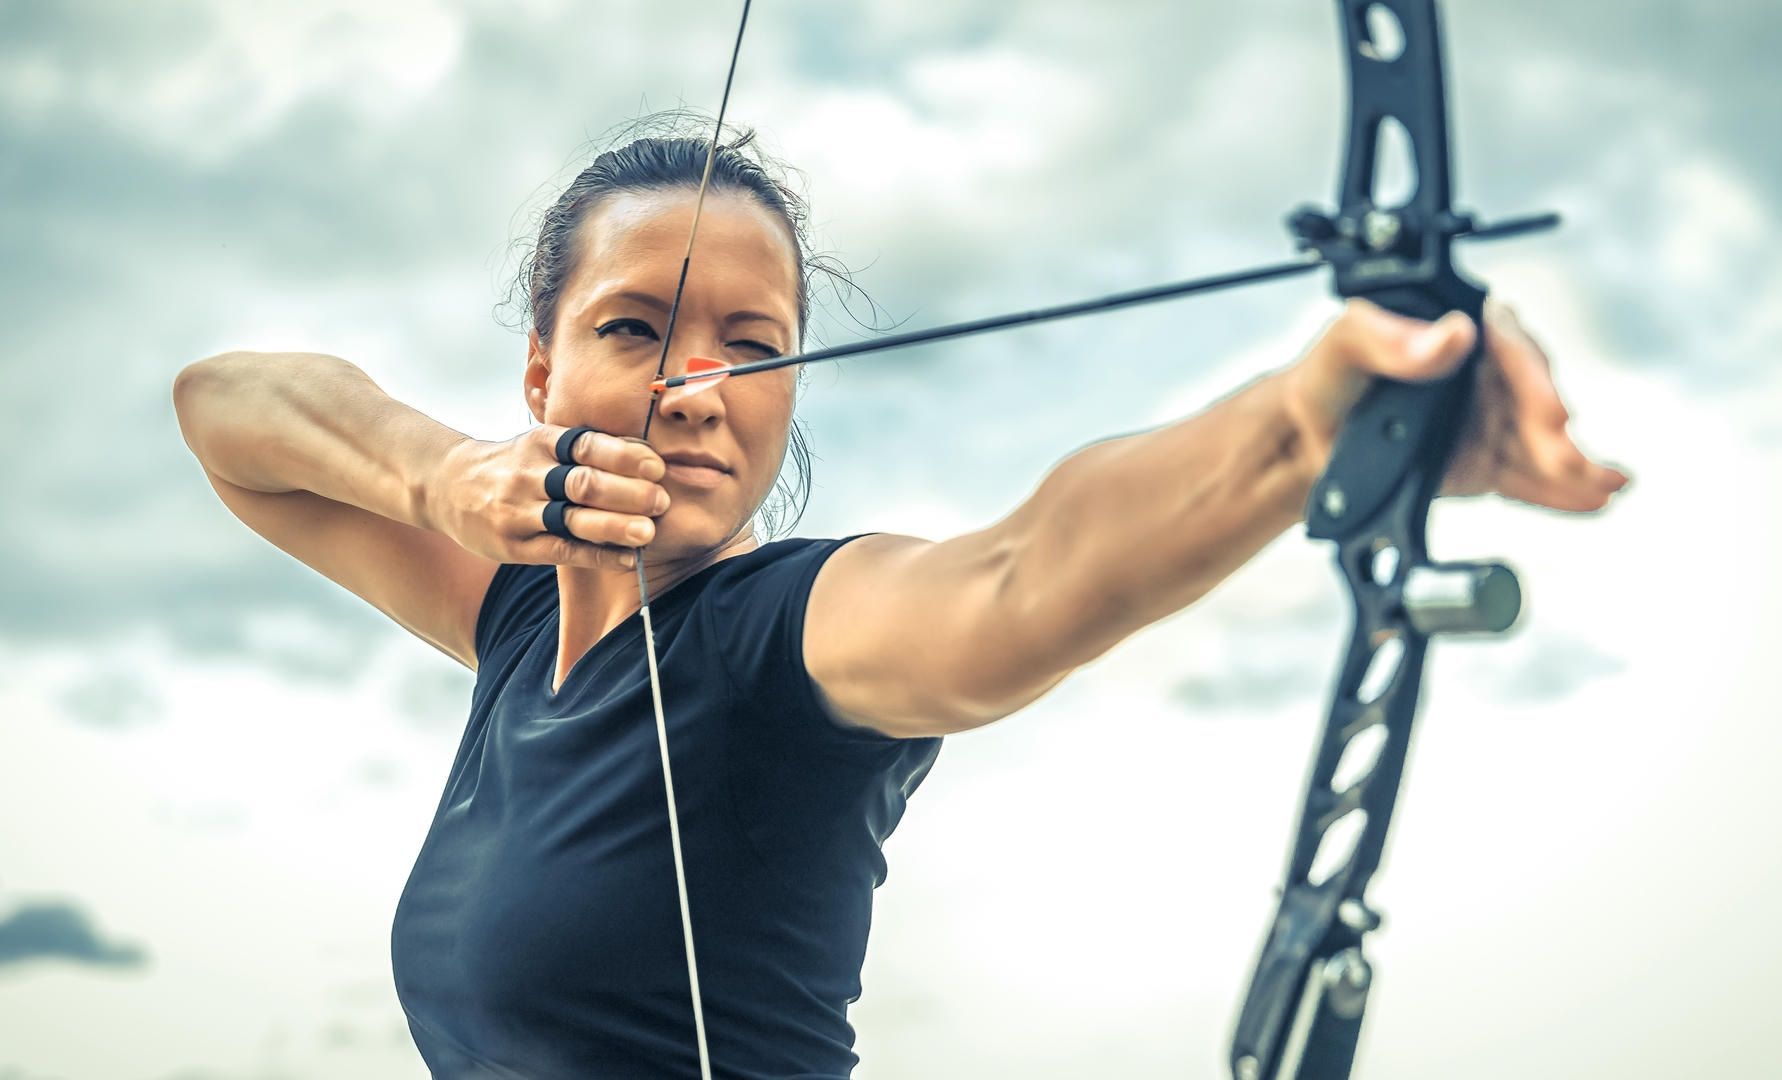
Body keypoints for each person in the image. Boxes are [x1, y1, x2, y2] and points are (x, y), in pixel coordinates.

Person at [170, 122, 1629, 1078]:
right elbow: (230, 417)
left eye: (754, 345)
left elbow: (1018, 577)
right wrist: (441, 479)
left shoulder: (781, 640)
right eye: (634, 329)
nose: (696, 388)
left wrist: (1310, 420)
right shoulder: (509, 628)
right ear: (540, 374)